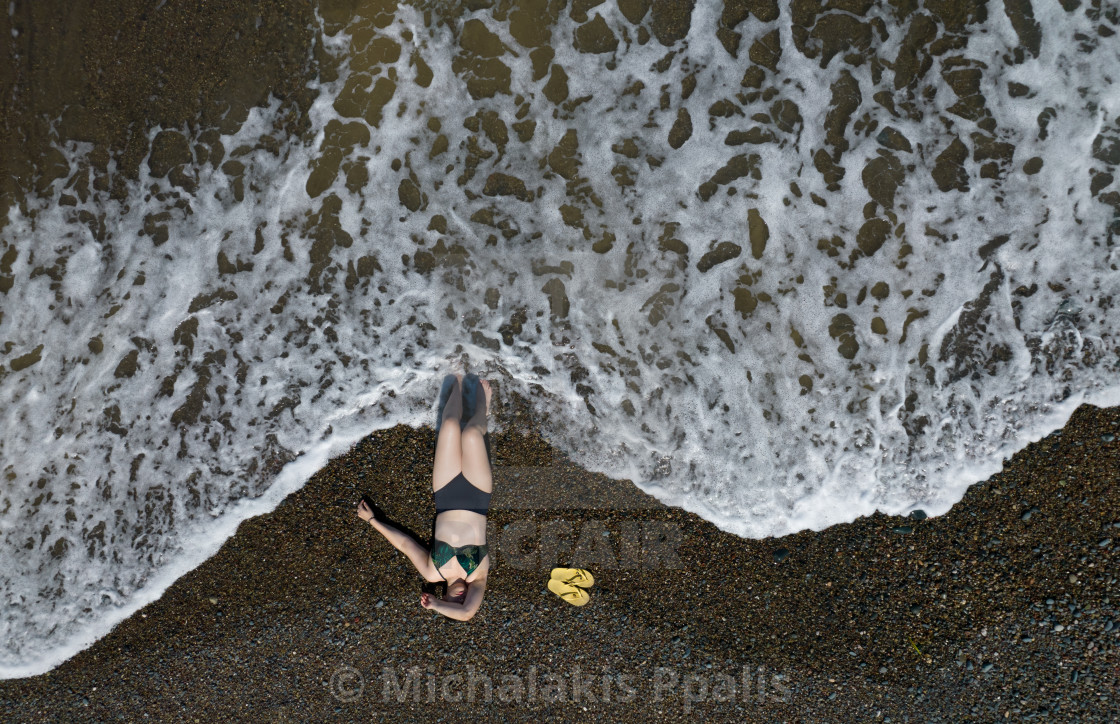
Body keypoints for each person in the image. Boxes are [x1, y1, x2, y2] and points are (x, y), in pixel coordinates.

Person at [357, 374, 492, 621]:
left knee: (450, 424)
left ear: (445, 596)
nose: (461, 599)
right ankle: (484, 408)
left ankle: (458, 382)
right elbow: (465, 614)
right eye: (463, 600)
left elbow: (406, 544)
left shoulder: (433, 572)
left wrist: (373, 521)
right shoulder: (478, 576)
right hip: (477, 496)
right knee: (472, 434)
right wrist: (440, 606)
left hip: (446, 494)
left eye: (454, 601)